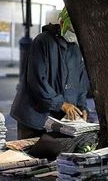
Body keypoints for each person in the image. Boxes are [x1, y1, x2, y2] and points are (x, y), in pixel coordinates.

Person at [10, 9, 90, 139]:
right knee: (29, 156)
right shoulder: (43, 41)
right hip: (34, 118)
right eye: (71, 29)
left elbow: (80, 84)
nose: (73, 34)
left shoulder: (75, 49)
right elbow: (36, 81)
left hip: (59, 123)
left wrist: (82, 107)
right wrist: (61, 104)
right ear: (61, 22)